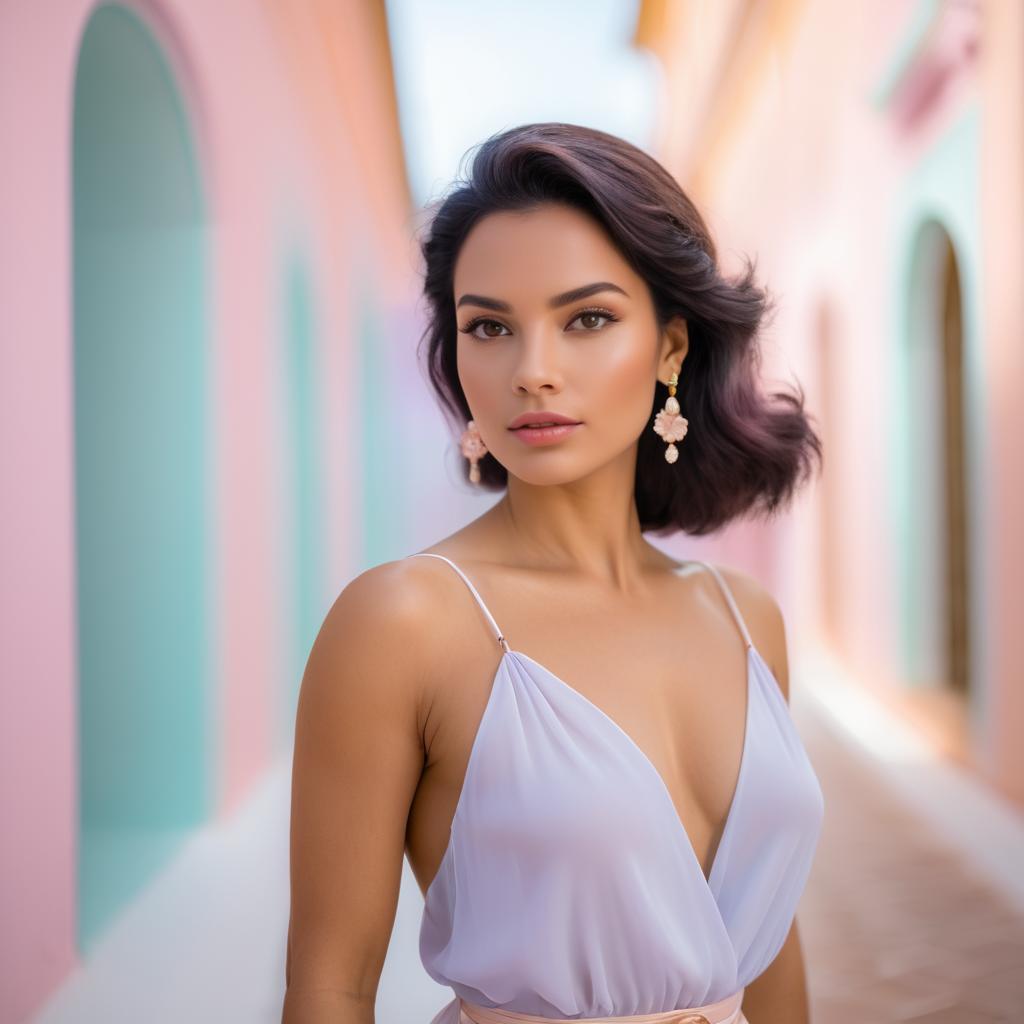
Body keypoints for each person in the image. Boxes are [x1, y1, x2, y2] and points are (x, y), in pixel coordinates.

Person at [282, 122, 825, 1024]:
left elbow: (770, 948)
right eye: (489, 326)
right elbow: (329, 983)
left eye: (588, 319)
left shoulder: (746, 617)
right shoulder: (404, 623)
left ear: (671, 349)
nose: (532, 372)